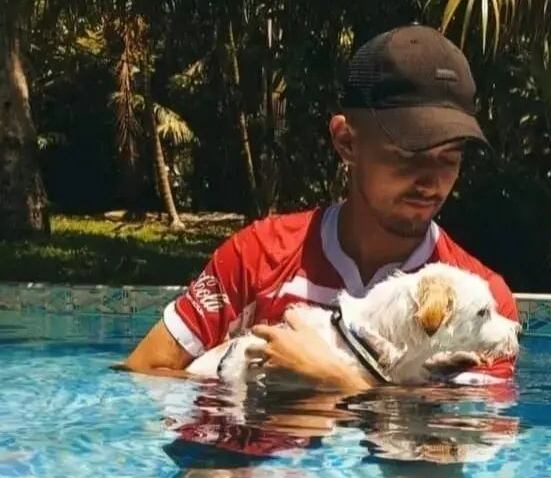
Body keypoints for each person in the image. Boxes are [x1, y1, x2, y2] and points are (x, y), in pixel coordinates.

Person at [121, 24, 518, 391]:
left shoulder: (480, 305)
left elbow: (449, 447)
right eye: (408, 154)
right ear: (346, 141)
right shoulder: (258, 257)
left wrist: (336, 381)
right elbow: (144, 370)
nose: (431, 180)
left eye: (449, 157)